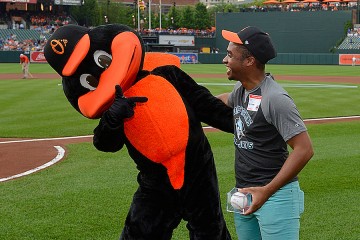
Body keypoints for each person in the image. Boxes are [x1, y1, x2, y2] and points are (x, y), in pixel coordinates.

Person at [217, 26, 314, 240]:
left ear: (249, 61)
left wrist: (267, 191)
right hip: (243, 193)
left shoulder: (275, 98)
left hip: (275, 197)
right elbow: (226, 100)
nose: (225, 60)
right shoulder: (241, 90)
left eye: (230, 55)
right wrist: (197, 102)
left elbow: (304, 149)